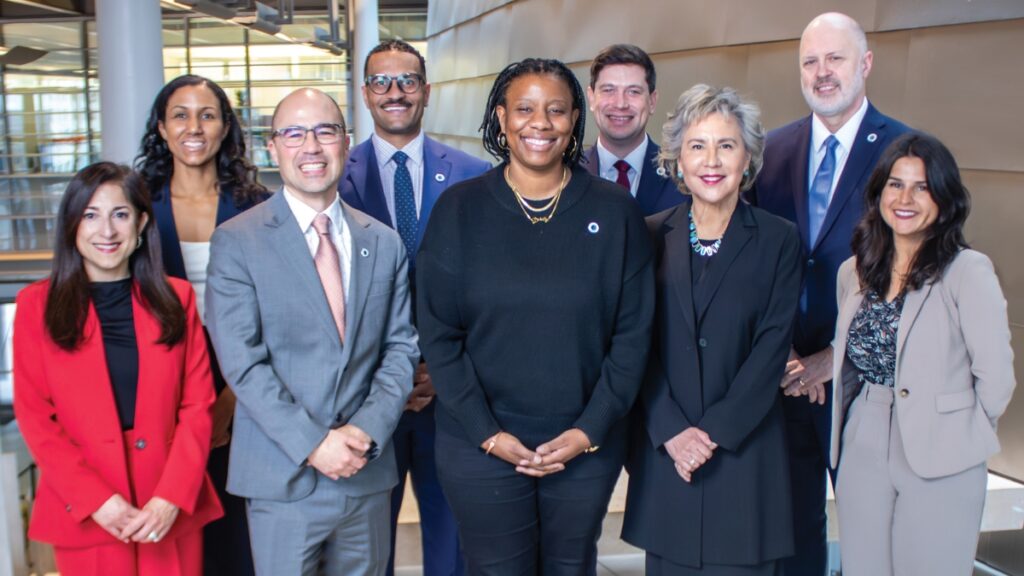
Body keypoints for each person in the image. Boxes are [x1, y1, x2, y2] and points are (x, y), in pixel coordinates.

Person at [416, 58, 654, 575]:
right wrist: (487, 433)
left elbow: (632, 337)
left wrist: (589, 430)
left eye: (556, 110)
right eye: (524, 109)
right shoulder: (459, 210)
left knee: (571, 567)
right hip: (479, 445)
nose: (540, 123)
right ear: (501, 118)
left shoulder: (615, 213)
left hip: (584, 445)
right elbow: (439, 335)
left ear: (574, 120)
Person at [205, 88, 417, 575]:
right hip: (283, 476)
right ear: (272, 147)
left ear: (346, 142)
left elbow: (400, 348)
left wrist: (364, 432)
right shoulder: (238, 242)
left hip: (365, 472)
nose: (311, 147)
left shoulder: (382, 242)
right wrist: (315, 444)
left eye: (324, 131)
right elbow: (243, 362)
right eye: (294, 133)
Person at [745, 12, 911, 573]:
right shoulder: (768, 153)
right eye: (810, 61)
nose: (821, 73)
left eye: (834, 58)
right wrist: (784, 355)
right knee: (792, 539)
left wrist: (834, 357)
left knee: (878, 537)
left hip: (867, 391)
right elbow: (751, 263)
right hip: (785, 384)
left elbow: (920, 281)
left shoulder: (907, 154)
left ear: (864, 64)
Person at [622, 84, 801, 575]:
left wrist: (712, 434)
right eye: (697, 146)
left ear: (748, 158)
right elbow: (634, 343)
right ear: (678, 160)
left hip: (745, 456)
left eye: (727, 145)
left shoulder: (779, 240)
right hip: (667, 456)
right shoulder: (650, 233)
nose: (712, 160)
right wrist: (673, 432)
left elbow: (771, 348)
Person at [13, 162, 223, 575]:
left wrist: (171, 497)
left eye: (120, 214)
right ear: (72, 225)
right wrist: (96, 501)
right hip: (88, 509)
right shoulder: (36, 306)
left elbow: (198, 407)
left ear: (142, 222)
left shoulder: (176, 299)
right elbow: (36, 418)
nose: (106, 231)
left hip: (166, 509)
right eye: (90, 215)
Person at [830, 132, 1015, 576]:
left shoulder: (967, 271)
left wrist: (958, 433)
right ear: (879, 194)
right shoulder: (854, 270)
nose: (905, 198)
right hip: (865, 435)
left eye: (922, 186)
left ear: (944, 197)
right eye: (895, 184)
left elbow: (998, 379)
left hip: (942, 447)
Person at [339, 39, 489, 576]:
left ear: (426, 91)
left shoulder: (474, 175)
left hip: (451, 394)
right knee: (365, 543)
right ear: (365, 93)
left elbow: (488, 288)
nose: (395, 92)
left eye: (407, 81)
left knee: (453, 541)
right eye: (381, 81)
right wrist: (392, 376)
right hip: (363, 396)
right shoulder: (334, 177)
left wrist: (442, 371)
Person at [135, 73, 267, 576]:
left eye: (207, 114)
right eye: (180, 115)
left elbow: (276, 313)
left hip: (245, 383)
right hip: (162, 387)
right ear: (162, 129)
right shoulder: (139, 205)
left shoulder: (257, 206)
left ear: (225, 128)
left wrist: (234, 396)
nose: (194, 126)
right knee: (175, 532)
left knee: (237, 534)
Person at [584, 43, 681, 215]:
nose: (620, 104)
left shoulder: (682, 176)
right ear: (591, 98)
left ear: (652, 101)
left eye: (633, 92)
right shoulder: (566, 175)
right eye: (608, 90)